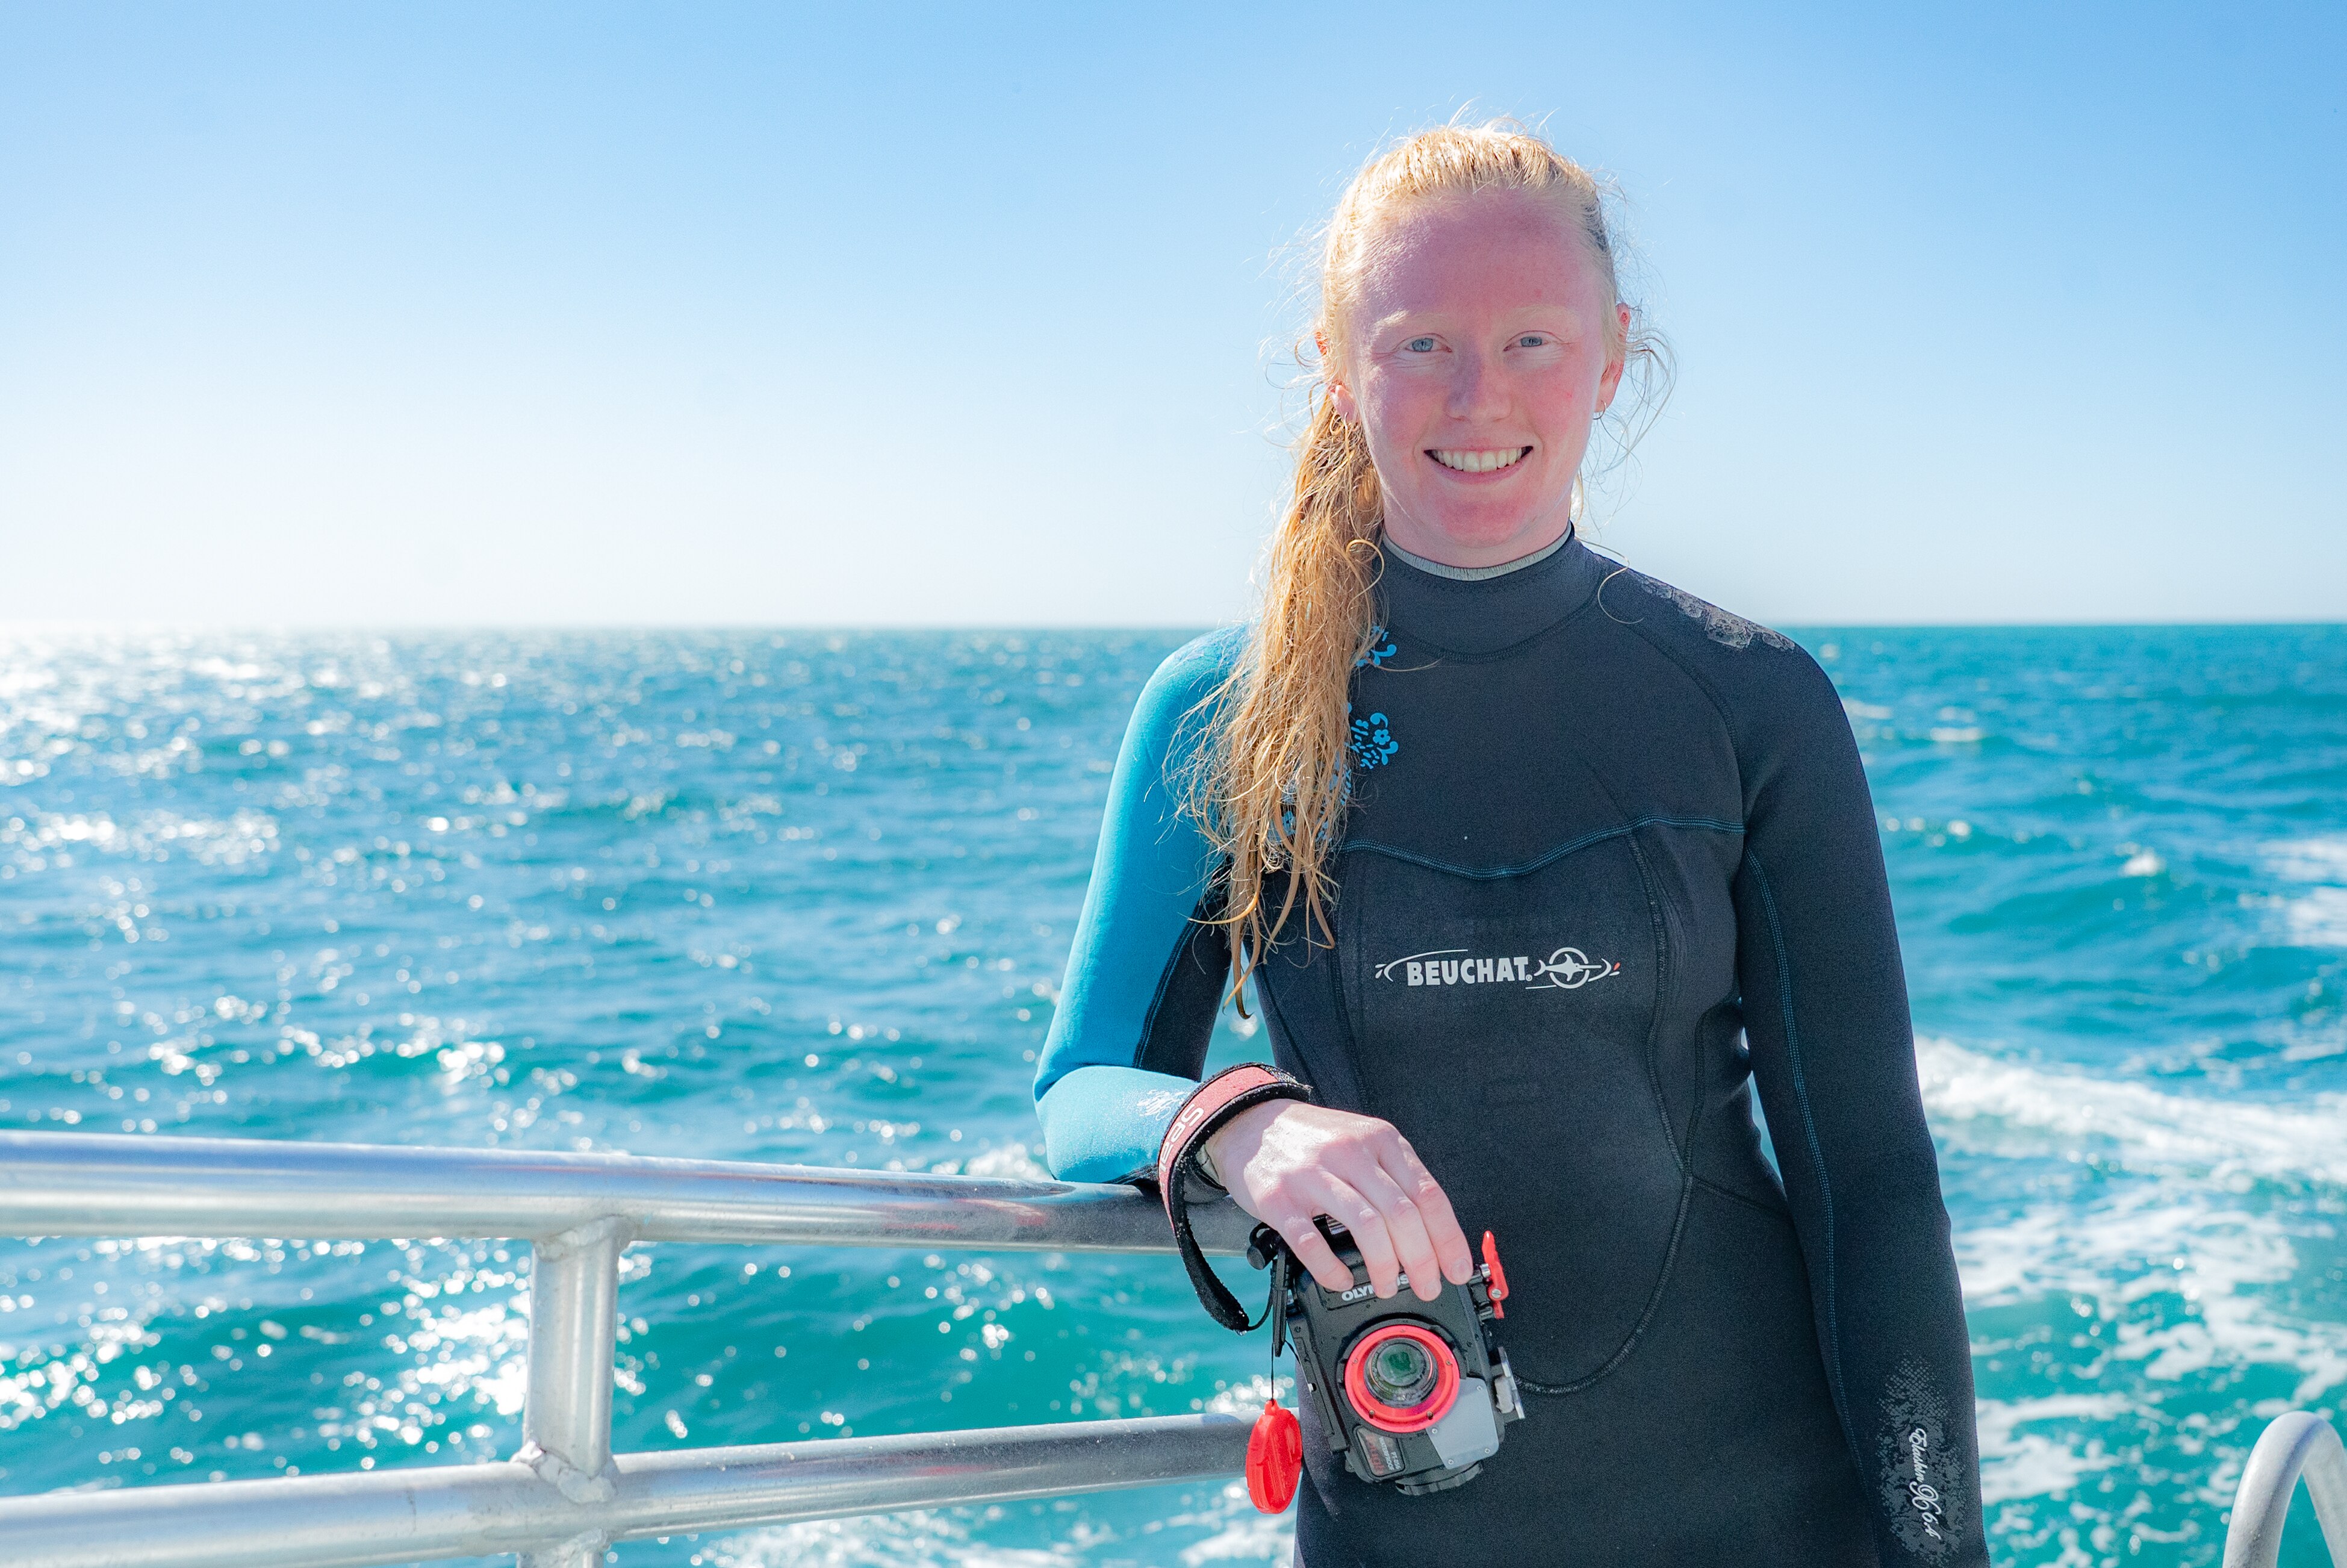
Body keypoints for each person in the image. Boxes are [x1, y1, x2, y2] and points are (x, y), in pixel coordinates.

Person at [1031, 122, 1989, 1567]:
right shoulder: (1222, 714)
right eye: (1419, 344)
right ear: (1336, 363)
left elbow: (1872, 1184)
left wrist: (1941, 1555)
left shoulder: (1746, 699)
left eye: (1532, 340)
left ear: (1609, 359)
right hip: (1399, 1530)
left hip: (1770, 1520)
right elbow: (1078, 1092)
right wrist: (1239, 1123)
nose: (1478, 395)